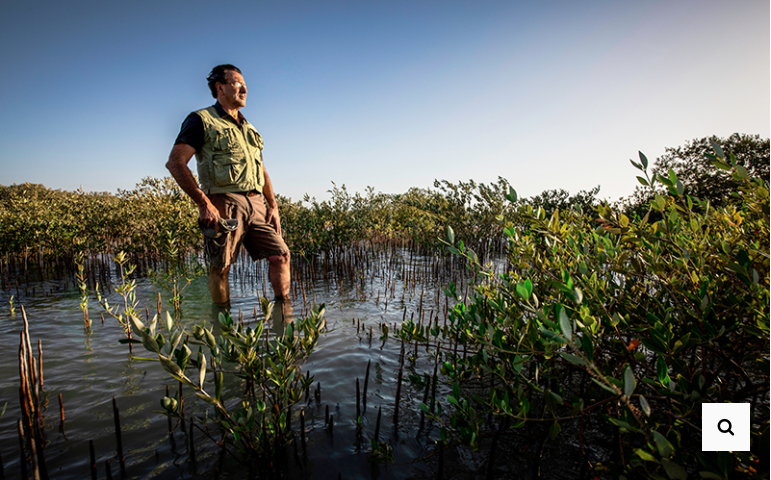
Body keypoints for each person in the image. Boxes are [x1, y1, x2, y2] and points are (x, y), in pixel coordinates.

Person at [166, 64, 291, 315]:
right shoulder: (201, 120)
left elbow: (262, 171)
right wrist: (204, 203)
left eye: (245, 84)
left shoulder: (250, 128)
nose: (244, 88)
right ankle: (222, 326)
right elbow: (176, 163)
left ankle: (284, 317)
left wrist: (273, 206)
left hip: (257, 204)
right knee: (221, 266)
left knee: (281, 255)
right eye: (236, 83)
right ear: (219, 87)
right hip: (225, 203)